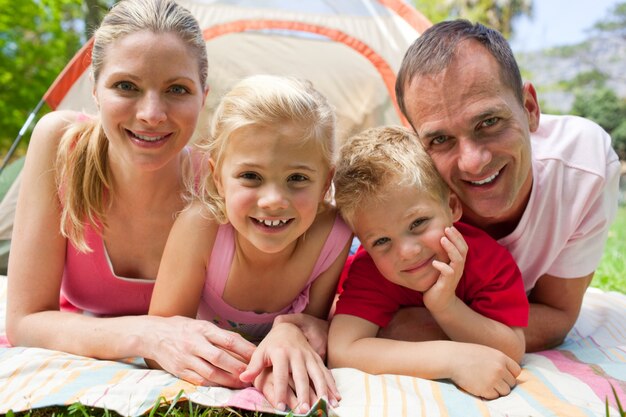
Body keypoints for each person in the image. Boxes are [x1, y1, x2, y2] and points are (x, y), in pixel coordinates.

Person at [5, 0, 257, 389]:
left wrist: (296, 327)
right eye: (126, 86)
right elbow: (23, 321)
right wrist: (149, 335)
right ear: (94, 90)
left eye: (177, 89)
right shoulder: (61, 146)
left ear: (202, 97)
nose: (152, 113)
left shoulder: (220, 178)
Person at [392, 19, 621, 352]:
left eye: (488, 122)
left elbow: (556, 317)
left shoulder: (584, 168)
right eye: (440, 139)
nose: (472, 161)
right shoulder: (401, 185)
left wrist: (414, 324)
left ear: (529, 108)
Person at [148, 74, 352, 413]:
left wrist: (292, 334)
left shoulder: (332, 234)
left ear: (325, 182)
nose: (273, 200)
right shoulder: (202, 229)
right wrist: (259, 363)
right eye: (251, 177)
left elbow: (311, 331)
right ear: (218, 177)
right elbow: (160, 343)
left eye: (297, 178)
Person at [328, 125, 528, 399]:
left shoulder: (488, 261)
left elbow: (513, 348)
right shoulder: (370, 270)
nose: (407, 252)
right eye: (381, 241)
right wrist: (451, 359)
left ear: (453, 207)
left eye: (418, 223)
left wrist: (446, 307)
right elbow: (342, 350)